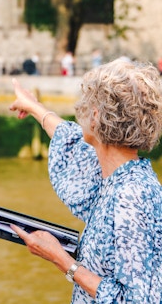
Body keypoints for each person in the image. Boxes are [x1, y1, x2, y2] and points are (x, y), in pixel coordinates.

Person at [9, 58, 162, 303]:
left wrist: (62, 260)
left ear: (96, 115)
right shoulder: (118, 173)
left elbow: (136, 300)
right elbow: (69, 138)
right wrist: (35, 107)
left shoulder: (132, 195)